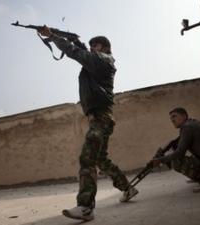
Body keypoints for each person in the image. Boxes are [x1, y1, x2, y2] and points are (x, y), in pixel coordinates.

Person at [38, 26, 138, 221]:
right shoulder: (99, 61)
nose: (92, 48)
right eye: (90, 45)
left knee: (87, 158)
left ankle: (85, 207)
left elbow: (76, 53)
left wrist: (53, 36)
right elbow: (82, 50)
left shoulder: (103, 60)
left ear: (106, 48)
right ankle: (128, 188)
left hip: (101, 117)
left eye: (96, 45)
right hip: (102, 117)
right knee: (101, 160)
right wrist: (73, 39)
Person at [151, 107, 200, 192]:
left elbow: (179, 153)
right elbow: (178, 143)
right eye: (171, 118)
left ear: (184, 116)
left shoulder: (187, 128)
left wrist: (160, 160)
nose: (172, 120)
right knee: (177, 156)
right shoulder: (191, 123)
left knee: (176, 161)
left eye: (174, 116)